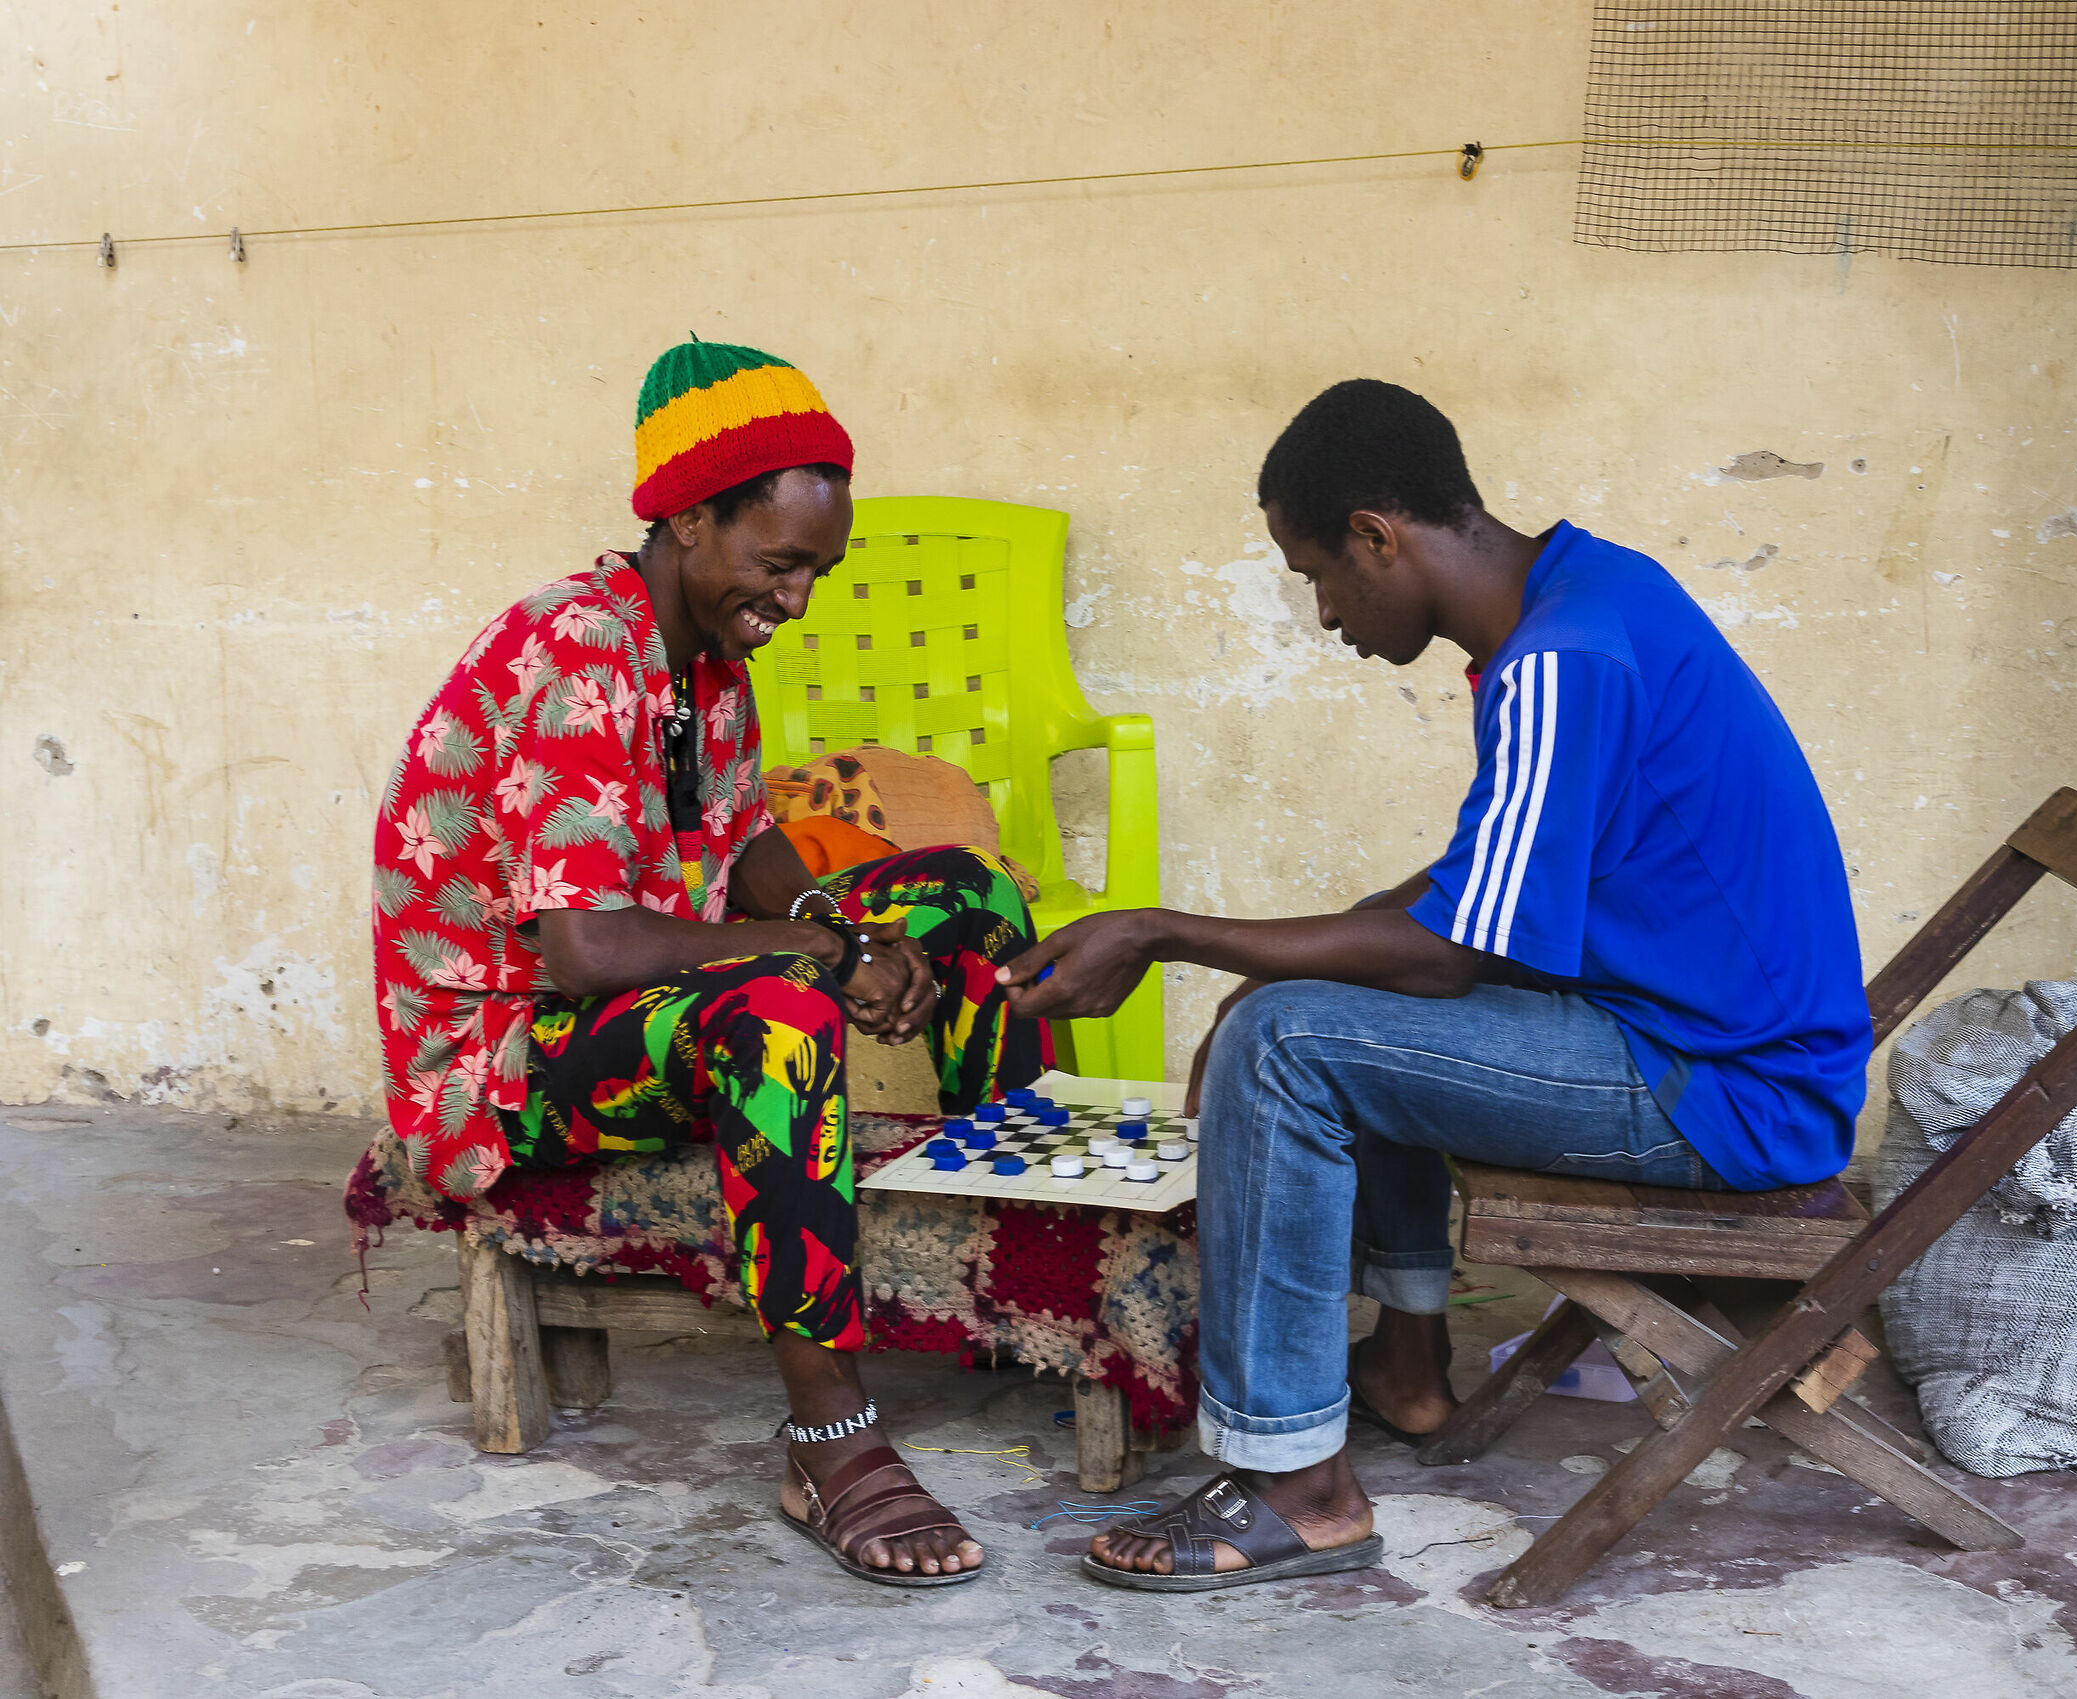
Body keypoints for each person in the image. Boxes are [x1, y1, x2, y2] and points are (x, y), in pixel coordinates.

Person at [997, 379, 1871, 1591]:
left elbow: (1452, 951)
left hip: (1725, 1090)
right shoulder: (1582, 597)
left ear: (1377, 534)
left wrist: (1165, 933)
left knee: (1293, 1041)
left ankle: (1300, 1490)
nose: (1325, 612)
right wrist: (1263, 967)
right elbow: (1479, 889)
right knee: (1322, 1008)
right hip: (1694, 1042)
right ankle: (1407, 1370)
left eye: (1317, 575)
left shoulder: (1565, 658)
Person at [370, 339, 1045, 1587]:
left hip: (636, 1000)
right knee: (779, 1008)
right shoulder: (576, 649)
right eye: (778, 563)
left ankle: (1012, 1263)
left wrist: (869, 934)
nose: (795, 603)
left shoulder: (709, 667)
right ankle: (829, 1439)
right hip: (507, 1057)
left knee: (972, 890)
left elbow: (741, 853)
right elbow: (585, 947)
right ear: (687, 517)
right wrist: (823, 953)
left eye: (815, 572)